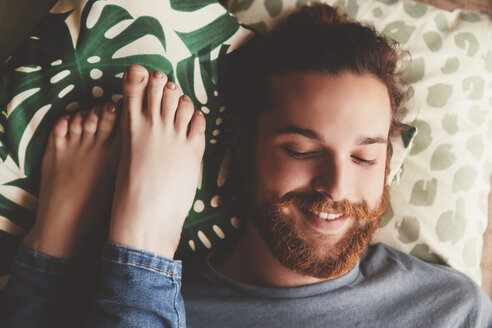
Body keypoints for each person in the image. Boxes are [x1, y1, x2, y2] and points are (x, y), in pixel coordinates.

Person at [1, 3, 491, 328]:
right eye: (301, 150)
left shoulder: (451, 311)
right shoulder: (116, 293)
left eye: (365, 156)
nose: (336, 186)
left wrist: (140, 242)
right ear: (242, 145)